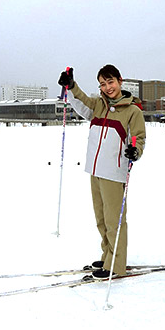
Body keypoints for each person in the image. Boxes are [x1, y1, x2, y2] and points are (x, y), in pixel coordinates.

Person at [58, 64, 146, 279]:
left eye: (110, 82)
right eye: (103, 84)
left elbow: (139, 138)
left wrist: (135, 150)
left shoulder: (132, 111)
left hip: (114, 173)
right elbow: (81, 102)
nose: (107, 87)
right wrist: (71, 86)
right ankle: (108, 254)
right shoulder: (98, 105)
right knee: (101, 219)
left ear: (120, 81)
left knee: (114, 220)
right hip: (95, 170)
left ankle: (116, 265)